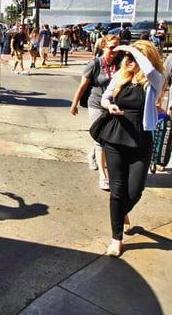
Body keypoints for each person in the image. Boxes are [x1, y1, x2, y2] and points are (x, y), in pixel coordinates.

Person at [99, 40, 166, 257]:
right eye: (127, 58)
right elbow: (105, 97)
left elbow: (151, 71)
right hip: (116, 137)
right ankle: (116, 238)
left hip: (140, 140)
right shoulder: (120, 77)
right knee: (117, 190)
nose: (128, 61)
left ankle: (121, 212)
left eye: (133, 58)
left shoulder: (154, 82)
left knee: (135, 190)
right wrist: (110, 105)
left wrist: (131, 50)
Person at [71, 35, 121, 190]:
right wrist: (74, 104)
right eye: (112, 47)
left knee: (107, 137)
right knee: (101, 137)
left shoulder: (121, 63)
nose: (114, 51)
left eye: (117, 47)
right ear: (104, 47)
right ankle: (103, 176)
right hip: (96, 104)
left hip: (113, 105)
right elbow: (83, 86)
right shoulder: (95, 64)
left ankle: (92, 155)